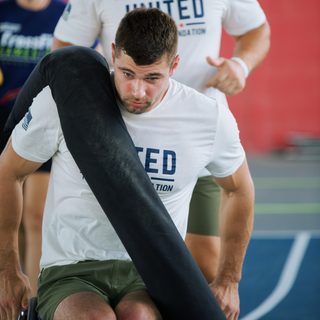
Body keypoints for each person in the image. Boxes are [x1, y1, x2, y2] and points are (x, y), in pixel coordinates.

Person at [0, 8, 254, 320]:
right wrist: (7, 269)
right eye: (127, 73)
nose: (137, 91)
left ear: (174, 65)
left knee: (138, 316)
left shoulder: (207, 118)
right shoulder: (64, 104)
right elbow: (8, 172)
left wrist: (229, 280)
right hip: (73, 268)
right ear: (112, 55)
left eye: (152, 78)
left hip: (150, 271)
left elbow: (239, 189)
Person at [51, 0, 270, 283]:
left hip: (196, 143)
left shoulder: (211, 122)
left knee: (204, 270)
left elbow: (256, 29)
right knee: (119, 270)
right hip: (123, 142)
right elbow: (64, 49)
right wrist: (108, 77)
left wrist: (241, 65)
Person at [0, 0, 67, 297]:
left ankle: (35, 302)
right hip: (2, 122)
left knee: (35, 218)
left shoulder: (67, 14)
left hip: (45, 124)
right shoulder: (3, 12)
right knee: (8, 223)